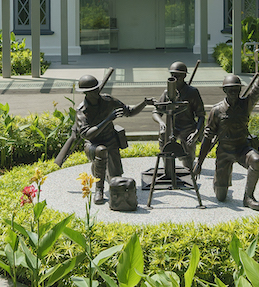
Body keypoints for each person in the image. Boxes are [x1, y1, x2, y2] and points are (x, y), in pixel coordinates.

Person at [193, 46, 259, 211]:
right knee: (221, 197)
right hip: (224, 152)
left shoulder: (246, 104)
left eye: (236, 89)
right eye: (230, 90)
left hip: (242, 148)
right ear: (224, 90)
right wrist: (199, 163)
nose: (233, 93)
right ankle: (222, 181)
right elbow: (208, 137)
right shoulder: (216, 110)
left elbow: (258, 88)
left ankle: (248, 197)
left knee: (256, 160)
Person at [75, 74, 149, 204]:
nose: (96, 92)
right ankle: (99, 190)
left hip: (110, 141)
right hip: (93, 144)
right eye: (92, 91)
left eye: (97, 89)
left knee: (116, 179)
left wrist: (144, 103)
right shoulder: (82, 110)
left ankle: (105, 175)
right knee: (101, 151)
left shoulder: (108, 102)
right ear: (86, 93)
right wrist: (108, 119)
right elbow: (87, 134)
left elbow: (129, 111)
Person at [151, 61, 206, 170]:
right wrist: (161, 122)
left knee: (188, 164)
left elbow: (201, 115)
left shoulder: (192, 92)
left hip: (188, 128)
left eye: (178, 76)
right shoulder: (167, 93)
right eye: (172, 75)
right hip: (172, 127)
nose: (174, 78)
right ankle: (167, 165)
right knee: (164, 135)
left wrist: (196, 132)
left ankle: (189, 163)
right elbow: (156, 112)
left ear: (184, 76)